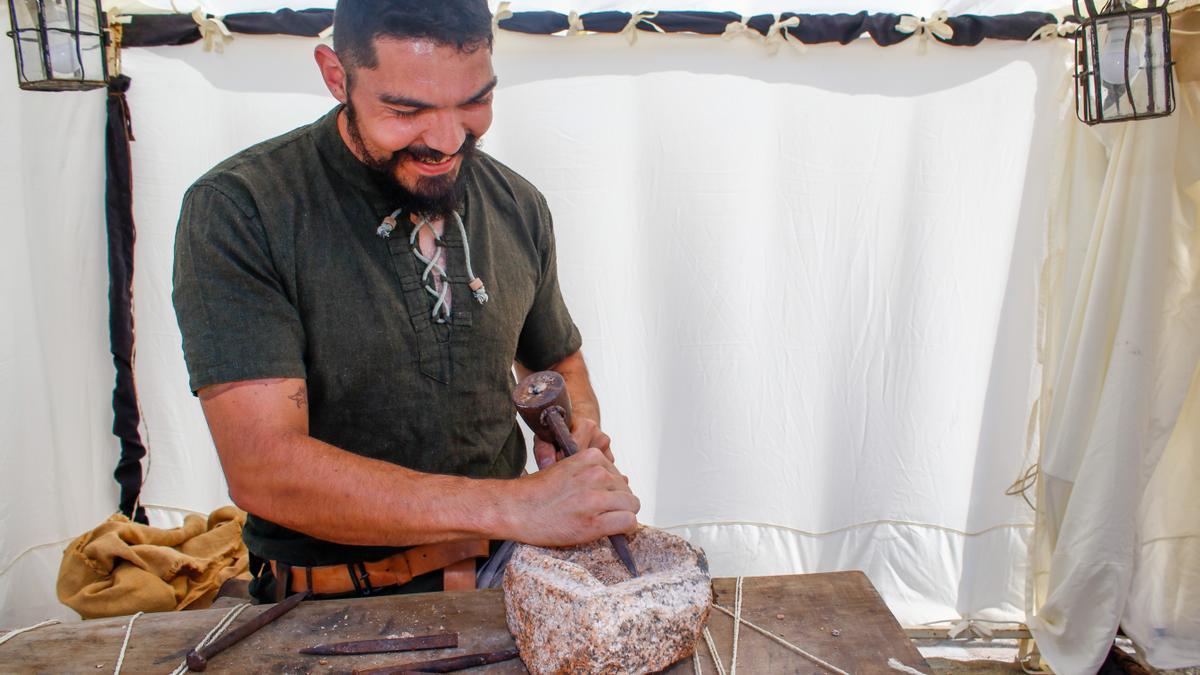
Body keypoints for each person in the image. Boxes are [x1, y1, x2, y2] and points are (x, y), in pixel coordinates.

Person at [171, 0, 639, 602]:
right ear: (337, 76)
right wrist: (517, 505)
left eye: (474, 101)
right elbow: (265, 470)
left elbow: (560, 364)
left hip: (508, 584)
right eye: (406, 110)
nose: (447, 140)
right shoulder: (244, 208)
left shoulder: (518, 204)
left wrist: (574, 435)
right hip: (327, 604)